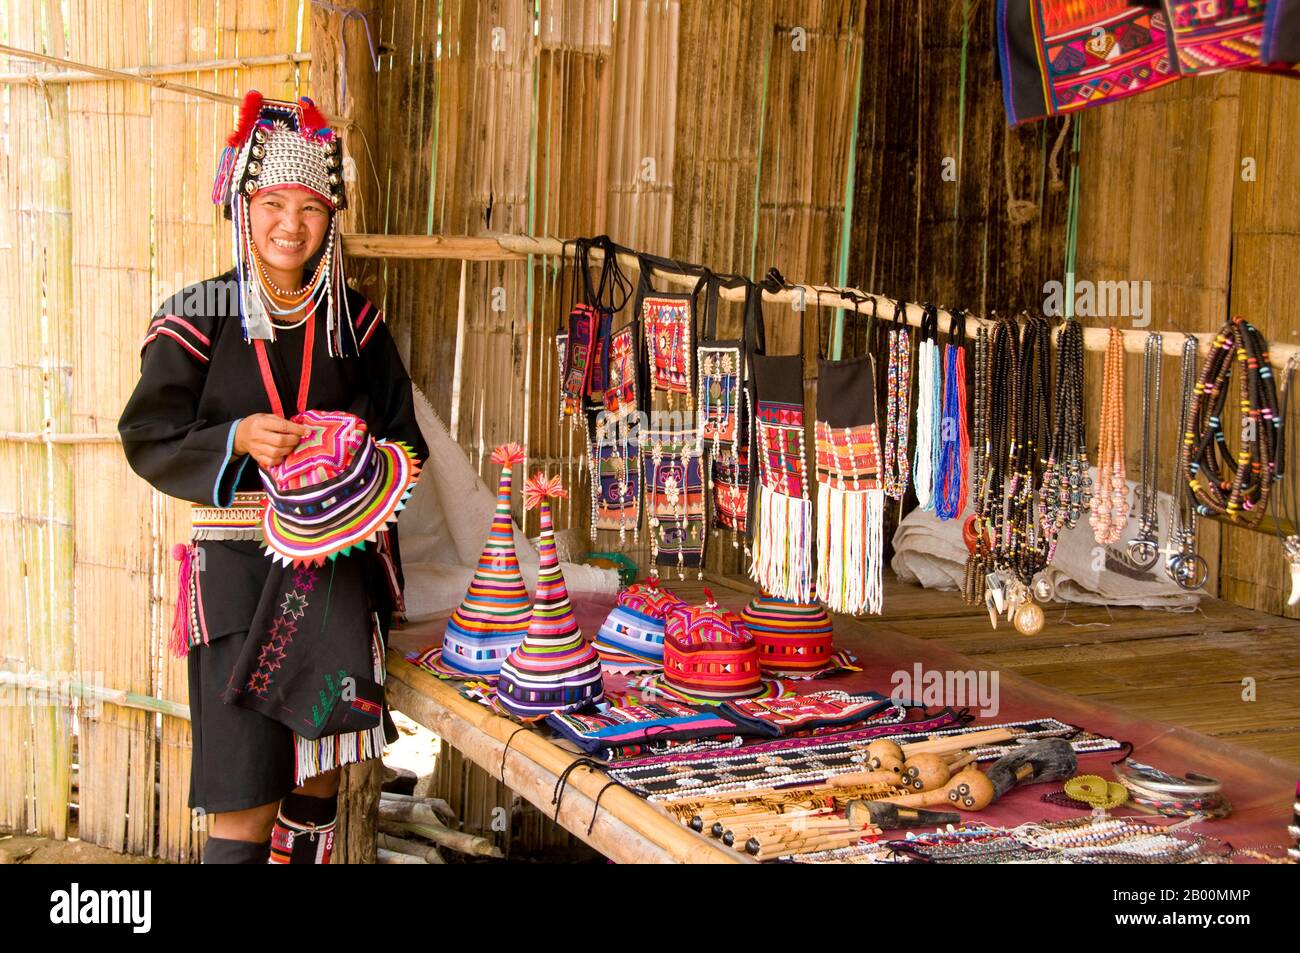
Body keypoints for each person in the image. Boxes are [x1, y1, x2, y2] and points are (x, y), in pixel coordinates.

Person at [117, 93, 428, 864]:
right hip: (235, 581)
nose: (291, 225)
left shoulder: (355, 323)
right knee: (244, 798)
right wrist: (236, 438)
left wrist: (352, 455)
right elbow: (146, 435)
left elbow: (405, 446)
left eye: (312, 208)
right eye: (273, 203)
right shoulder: (198, 314)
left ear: (331, 220)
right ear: (241, 205)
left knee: (316, 784)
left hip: (334, 579)